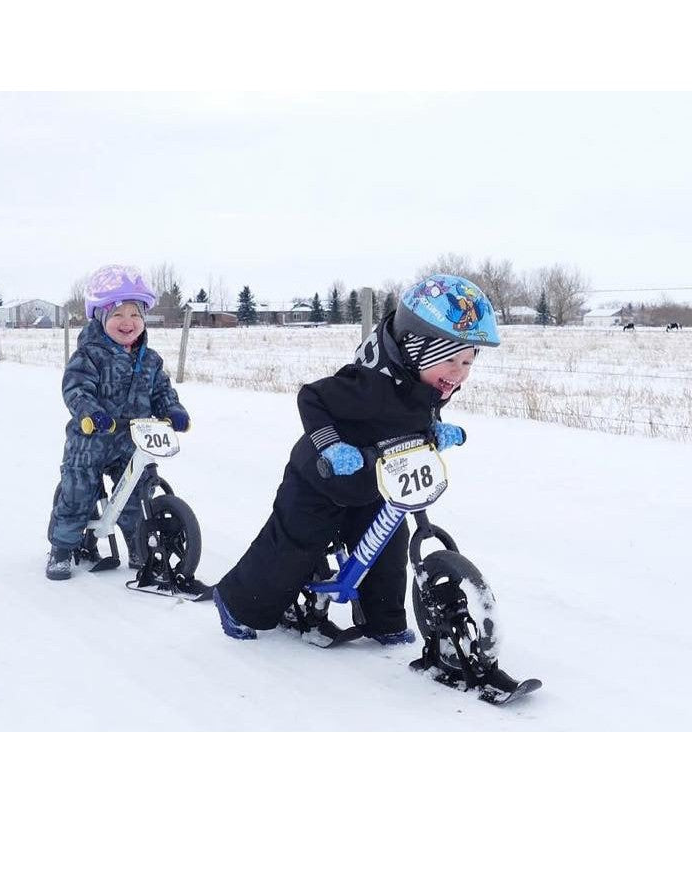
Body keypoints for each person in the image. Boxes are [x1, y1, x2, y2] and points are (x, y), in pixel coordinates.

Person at [211, 273, 500, 642]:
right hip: (319, 478)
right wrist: (332, 446)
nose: (459, 375)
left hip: (377, 481)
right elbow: (311, 398)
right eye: (452, 361)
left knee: (388, 550)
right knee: (294, 547)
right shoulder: (366, 384)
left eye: (468, 363)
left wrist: (435, 430)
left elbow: (417, 415)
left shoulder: (426, 384)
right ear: (416, 349)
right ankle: (239, 604)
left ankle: (385, 622)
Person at [45, 264, 191, 580]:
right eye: (118, 315)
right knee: (78, 491)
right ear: (101, 318)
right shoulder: (90, 355)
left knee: (139, 489)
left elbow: (162, 389)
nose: (128, 322)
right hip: (91, 440)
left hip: (131, 440)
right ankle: (62, 548)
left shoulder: (150, 360)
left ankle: (141, 547)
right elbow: (76, 388)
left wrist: (173, 410)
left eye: (135, 315)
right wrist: (90, 414)